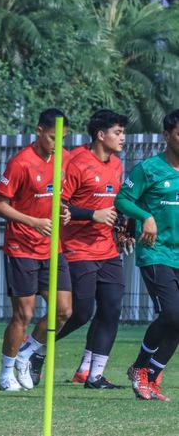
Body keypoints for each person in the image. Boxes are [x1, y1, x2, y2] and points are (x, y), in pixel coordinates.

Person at [42, 110, 128, 389]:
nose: (122, 138)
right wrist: (93, 215)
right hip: (77, 249)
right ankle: (35, 348)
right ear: (101, 135)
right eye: (118, 132)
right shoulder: (77, 163)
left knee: (112, 309)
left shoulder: (116, 164)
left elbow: (113, 204)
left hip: (107, 249)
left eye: (123, 132)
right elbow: (59, 206)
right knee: (80, 312)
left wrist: (123, 227)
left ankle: (94, 375)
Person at [0, 108, 72, 392]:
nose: (56, 144)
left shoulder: (63, 160)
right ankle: (5, 373)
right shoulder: (20, 163)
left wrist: (64, 212)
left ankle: (26, 355)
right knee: (22, 315)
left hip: (52, 248)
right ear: (39, 131)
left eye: (61, 139)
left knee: (63, 311)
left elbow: (58, 197)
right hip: (22, 247)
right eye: (52, 137)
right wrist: (33, 221)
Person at [116, 109, 179, 401]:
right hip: (156, 253)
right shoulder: (149, 169)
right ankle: (141, 368)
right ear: (167, 136)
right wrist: (145, 216)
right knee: (172, 314)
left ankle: (151, 377)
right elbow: (122, 199)